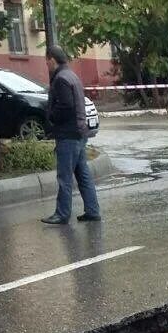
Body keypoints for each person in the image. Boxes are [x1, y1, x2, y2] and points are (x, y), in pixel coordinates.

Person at [41, 45, 100, 225]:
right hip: (79, 132)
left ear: (52, 59)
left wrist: (52, 117)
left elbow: (65, 106)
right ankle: (92, 210)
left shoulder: (60, 79)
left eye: (47, 61)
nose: (46, 65)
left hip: (68, 133)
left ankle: (62, 213)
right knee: (83, 173)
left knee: (64, 176)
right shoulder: (72, 75)